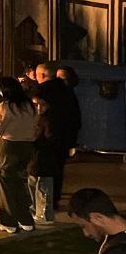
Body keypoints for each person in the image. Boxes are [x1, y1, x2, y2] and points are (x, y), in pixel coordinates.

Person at [0, 76, 38, 233]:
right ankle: (25, 219)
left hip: (8, 147)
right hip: (27, 146)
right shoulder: (29, 105)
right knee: (19, 182)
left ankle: (8, 221)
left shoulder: (5, 107)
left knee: (5, 184)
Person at [36, 61, 82, 210]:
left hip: (45, 136)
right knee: (58, 168)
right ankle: (54, 198)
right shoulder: (67, 90)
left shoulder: (41, 91)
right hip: (63, 136)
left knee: (43, 169)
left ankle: (45, 203)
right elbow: (75, 115)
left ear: (42, 75)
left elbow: (37, 115)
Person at [31, 95, 62, 226]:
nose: (38, 108)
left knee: (43, 187)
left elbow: (51, 140)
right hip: (34, 158)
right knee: (33, 185)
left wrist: (37, 142)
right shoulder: (35, 118)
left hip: (44, 158)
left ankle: (44, 214)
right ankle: (37, 212)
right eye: (36, 104)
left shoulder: (49, 120)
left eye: (42, 104)